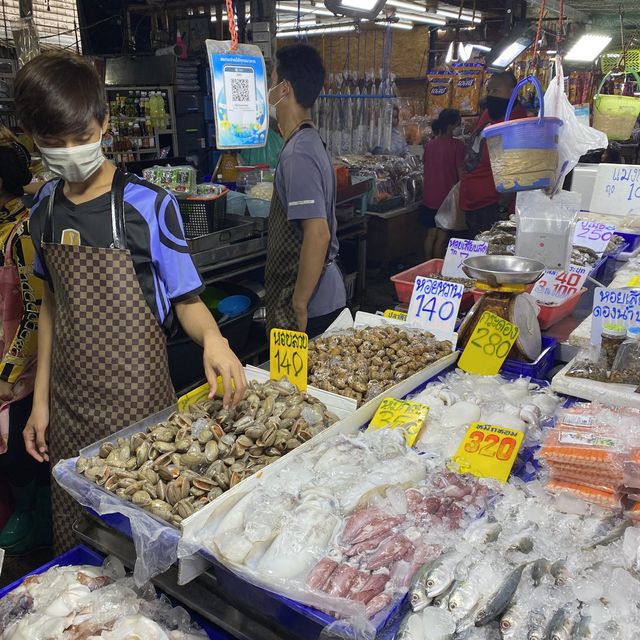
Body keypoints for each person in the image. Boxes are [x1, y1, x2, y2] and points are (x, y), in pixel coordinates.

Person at [14, 51, 247, 552]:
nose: (70, 152)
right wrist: (40, 403)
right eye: (53, 143)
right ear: (34, 140)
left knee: (140, 538)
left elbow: (187, 298)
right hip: (70, 409)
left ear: (102, 123)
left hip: (139, 409)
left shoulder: (148, 205)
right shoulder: (44, 209)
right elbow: (53, 307)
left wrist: (214, 340)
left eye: (80, 138)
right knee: (80, 542)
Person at [265, 44, 346, 337]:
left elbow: (318, 233)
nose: (269, 91)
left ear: (284, 88)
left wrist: (298, 304)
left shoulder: (298, 152)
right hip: (317, 297)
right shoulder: (308, 140)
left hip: (311, 306)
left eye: (272, 82)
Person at [0, 128, 50, 554]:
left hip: (20, 366)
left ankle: (30, 511)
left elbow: (36, 312)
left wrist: (9, 371)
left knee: (18, 447)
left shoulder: (23, 232)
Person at [459, 72, 527, 237]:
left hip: (492, 205)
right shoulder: (488, 113)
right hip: (472, 200)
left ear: (513, 93)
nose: (490, 95)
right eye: (488, 90)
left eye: (495, 91)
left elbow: (515, 171)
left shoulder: (516, 122)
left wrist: (502, 206)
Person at [421, 108, 465, 260]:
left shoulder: (430, 145)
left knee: (431, 233)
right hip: (445, 198)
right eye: (459, 122)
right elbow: (461, 174)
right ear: (452, 125)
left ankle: (427, 266)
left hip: (429, 196)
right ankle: (437, 271)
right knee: (442, 235)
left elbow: (426, 167)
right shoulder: (457, 146)